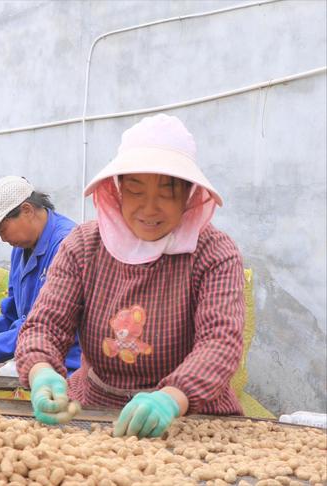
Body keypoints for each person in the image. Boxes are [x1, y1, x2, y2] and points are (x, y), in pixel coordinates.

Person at [16, 114, 245, 438]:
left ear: (189, 196)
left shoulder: (213, 253)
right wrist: (41, 372)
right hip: (96, 414)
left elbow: (220, 341)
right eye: (136, 192)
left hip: (190, 419)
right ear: (118, 190)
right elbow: (45, 325)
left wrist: (171, 398)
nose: (150, 209)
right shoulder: (83, 246)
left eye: (167, 194)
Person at [0, 176, 81, 375]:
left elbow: (41, 325)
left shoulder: (67, 246)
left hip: (69, 367)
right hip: (36, 363)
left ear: (27, 211)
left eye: (2, 230)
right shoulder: (21, 249)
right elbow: (12, 316)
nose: (3, 239)